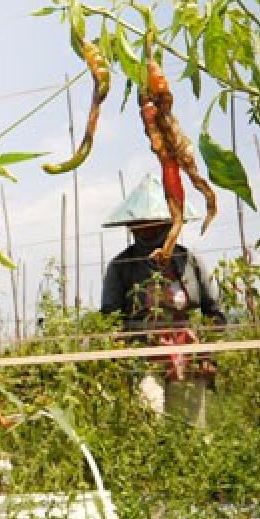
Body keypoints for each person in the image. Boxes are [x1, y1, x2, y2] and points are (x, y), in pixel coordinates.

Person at [100, 173, 226, 426]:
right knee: (149, 425)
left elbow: (214, 312)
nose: (147, 231)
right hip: (141, 358)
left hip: (187, 358)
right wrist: (117, 357)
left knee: (189, 430)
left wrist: (209, 354)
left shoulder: (189, 261)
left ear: (170, 224)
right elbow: (109, 319)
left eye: (154, 224)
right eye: (141, 225)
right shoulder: (122, 266)